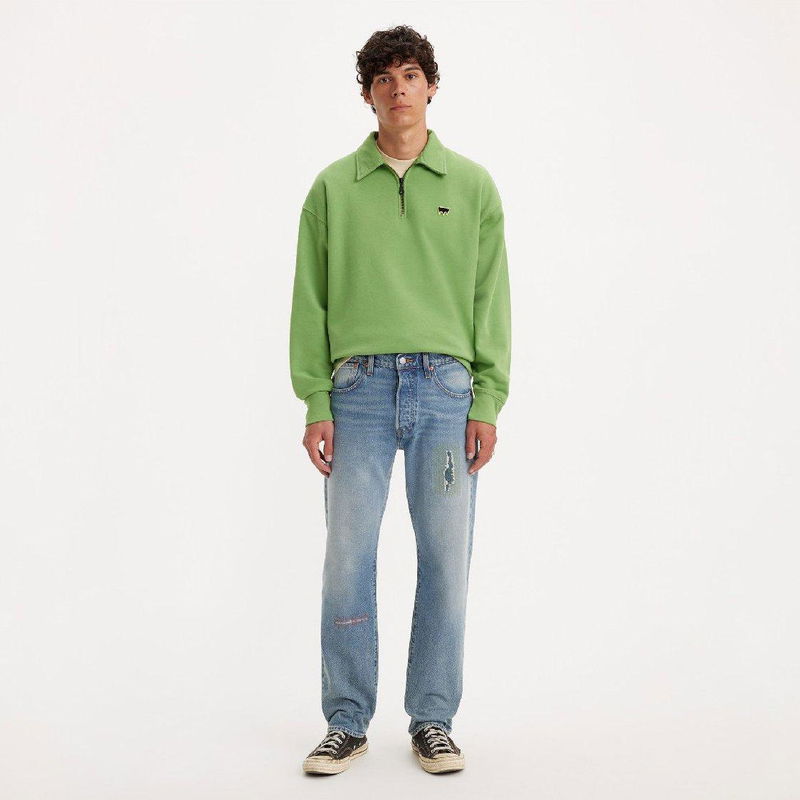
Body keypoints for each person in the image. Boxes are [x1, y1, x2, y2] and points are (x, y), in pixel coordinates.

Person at [289, 25, 512, 775]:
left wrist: (488, 399)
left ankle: (433, 720)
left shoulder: (473, 186)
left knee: (446, 560)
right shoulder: (332, 187)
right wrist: (315, 398)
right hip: (355, 391)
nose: (398, 89)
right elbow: (310, 301)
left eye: (410, 74)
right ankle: (345, 720)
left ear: (431, 86)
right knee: (347, 560)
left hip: (447, 392)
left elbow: (490, 298)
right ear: (367, 95)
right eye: (383, 78)